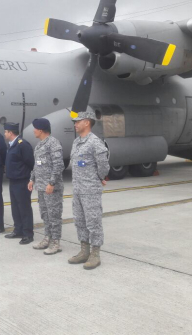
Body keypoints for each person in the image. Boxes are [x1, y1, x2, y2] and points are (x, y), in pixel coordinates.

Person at [68, 111, 110, 270]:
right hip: (78, 189)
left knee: (93, 221)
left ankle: (95, 254)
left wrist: (99, 178)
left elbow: (104, 166)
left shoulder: (95, 142)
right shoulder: (76, 142)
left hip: (91, 189)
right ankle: (84, 251)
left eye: (78, 121)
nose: (75, 124)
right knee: (80, 220)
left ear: (87, 122)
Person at [28, 118, 65, 254]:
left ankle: (56, 242)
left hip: (51, 188)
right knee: (45, 214)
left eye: (35, 128)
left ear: (41, 130)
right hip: (41, 187)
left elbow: (58, 165)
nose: (33, 130)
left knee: (54, 214)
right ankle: (47, 238)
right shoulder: (39, 145)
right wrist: (32, 179)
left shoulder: (53, 143)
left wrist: (52, 183)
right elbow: (36, 165)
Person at [4, 123, 35, 245]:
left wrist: (29, 178)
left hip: (22, 181)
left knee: (24, 208)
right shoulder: (12, 145)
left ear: (11, 133)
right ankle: (18, 230)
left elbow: (30, 162)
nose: (5, 134)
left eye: (6, 132)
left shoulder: (22, 145)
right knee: (15, 207)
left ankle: (28, 234)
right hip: (13, 180)